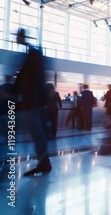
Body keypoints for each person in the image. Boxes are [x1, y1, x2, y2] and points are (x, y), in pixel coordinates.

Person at [9, 28, 52, 176]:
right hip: (30, 103)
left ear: (23, 37)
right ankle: (44, 163)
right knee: (36, 135)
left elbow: (33, 79)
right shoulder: (29, 55)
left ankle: (44, 164)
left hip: (34, 103)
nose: (16, 39)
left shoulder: (33, 54)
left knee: (38, 135)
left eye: (18, 36)